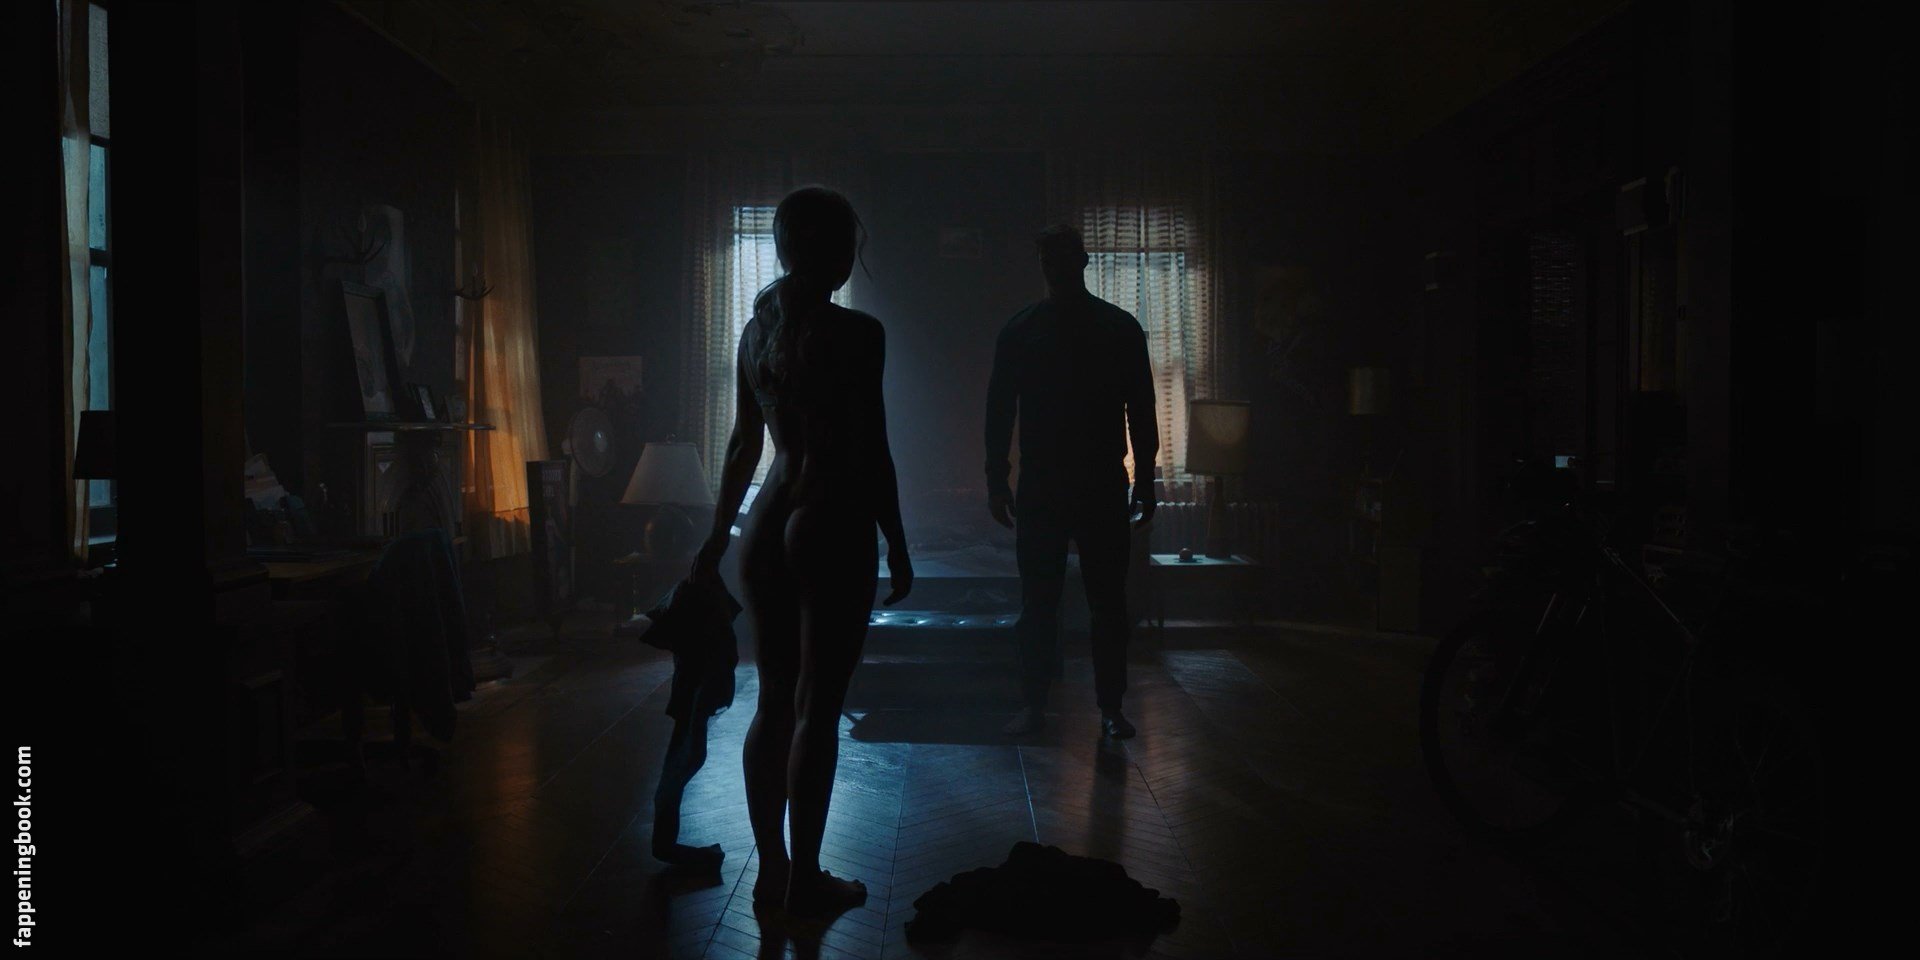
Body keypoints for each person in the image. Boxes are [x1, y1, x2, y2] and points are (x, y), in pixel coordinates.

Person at [693, 186, 912, 918]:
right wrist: (897, 540)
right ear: (839, 251)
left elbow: (741, 446)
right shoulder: (860, 334)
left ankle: (772, 872)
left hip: (766, 521)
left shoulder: (757, 335)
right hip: (830, 519)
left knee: (774, 701)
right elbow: (872, 447)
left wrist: (713, 541)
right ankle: (807, 879)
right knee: (818, 706)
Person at [985, 224, 1157, 739]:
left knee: (1051, 604)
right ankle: (1106, 709)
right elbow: (1140, 410)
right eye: (1050, 260)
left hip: (1057, 482)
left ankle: (1046, 707)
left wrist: (997, 478)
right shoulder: (1116, 327)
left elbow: (1000, 412)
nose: (1055, 269)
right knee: (1094, 604)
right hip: (1091, 482)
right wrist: (1144, 481)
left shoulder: (1024, 329)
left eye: (1058, 260)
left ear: (1078, 263)